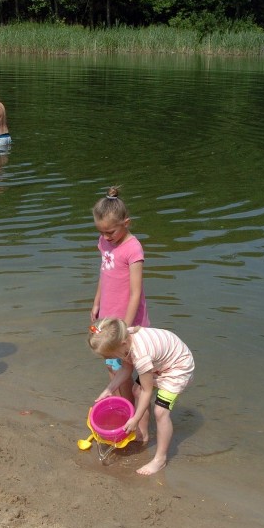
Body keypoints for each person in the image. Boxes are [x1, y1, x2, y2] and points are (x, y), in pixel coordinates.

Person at [88, 318, 195, 476]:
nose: (107, 359)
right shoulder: (123, 338)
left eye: (109, 355)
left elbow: (147, 390)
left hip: (177, 368)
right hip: (160, 363)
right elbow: (126, 368)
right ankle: (142, 435)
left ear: (123, 344)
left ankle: (160, 459)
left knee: (161, 412)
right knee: (135, 391)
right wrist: (109, 389)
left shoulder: (141, 355)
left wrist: (135, 418)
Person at [90, 186, 149, 401]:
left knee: (126, 368)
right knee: (111, 366)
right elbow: (104, 273)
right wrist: (96, 303)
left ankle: (132, 413)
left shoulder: (133, 249)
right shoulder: (105, 242)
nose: (106, 237)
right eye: (101, 232)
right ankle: (122, 406)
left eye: (110, 232)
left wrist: (125, 327)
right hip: (107, 316)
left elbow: (135, 292)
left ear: (126, 223)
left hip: (128, 320)